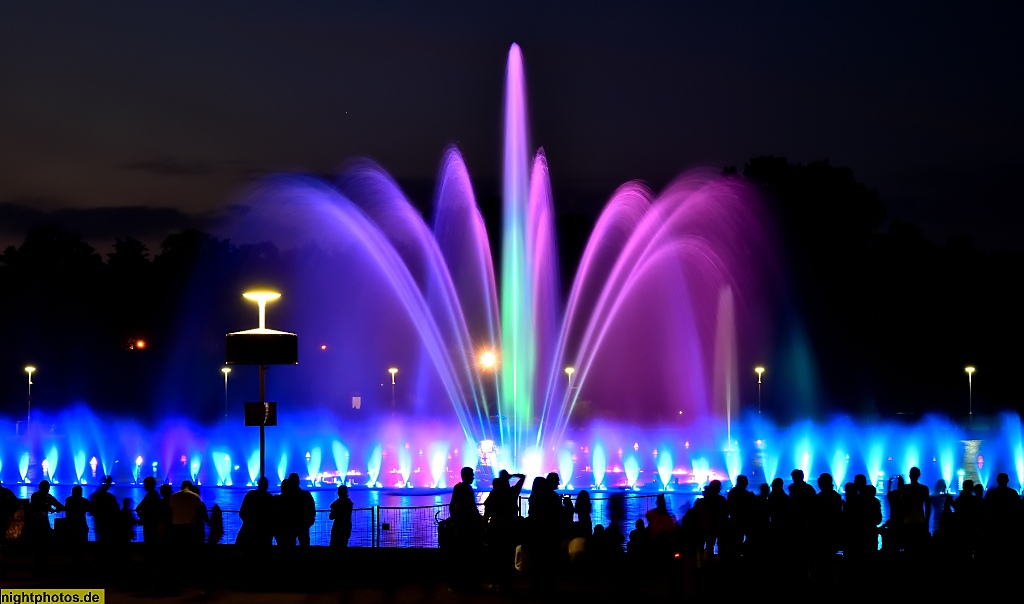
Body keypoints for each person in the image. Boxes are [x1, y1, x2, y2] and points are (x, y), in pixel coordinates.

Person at [237, 476, 274, 547]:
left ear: (258, 484)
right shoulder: (269, 498)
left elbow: (242, 512)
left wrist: (248, 522)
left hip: (248, 531)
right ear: (267, 485)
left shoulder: (250, 495)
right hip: (264, 534)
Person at [168, 480, 206, 547]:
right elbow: (200, 512)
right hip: (190, 526)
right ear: (190, 487)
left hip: (176, 526)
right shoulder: (195, 496)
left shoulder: (174, 496)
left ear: (181, 486)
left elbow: (170, 510)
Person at [89, 476, 119, 544]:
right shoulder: (110, 497)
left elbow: (91, 509)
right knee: (107, 539)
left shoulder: (95, 495)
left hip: (99, 521)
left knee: (100, 538)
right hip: (108, 522)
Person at [135, 476, 164, 544]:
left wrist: (142, 517)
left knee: (149, 540)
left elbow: (139, 508)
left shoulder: (150, 495)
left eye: (145, 484)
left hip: (149, 523)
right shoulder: (155, 494)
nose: (144, 486)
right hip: (154, 522)